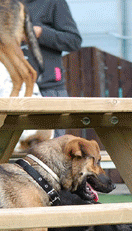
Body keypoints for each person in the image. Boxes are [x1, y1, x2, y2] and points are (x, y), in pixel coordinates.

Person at [23, 0, 82, 136]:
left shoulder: (54, 2)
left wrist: (40, 33)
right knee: (12, 145)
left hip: (48, 89)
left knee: (51, 145)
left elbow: (74, 40)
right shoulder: (5, 4)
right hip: (13, 90)